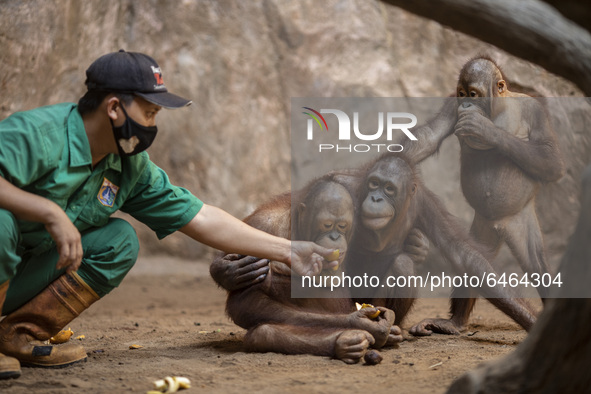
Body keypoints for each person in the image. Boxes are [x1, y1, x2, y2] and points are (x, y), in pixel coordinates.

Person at [0, 50, 335, 379]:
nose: (152, 124)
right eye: (148, 113)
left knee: (119, 240)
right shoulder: (37, 134)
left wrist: (288, 250)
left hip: (18, 275)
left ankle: (17, 334)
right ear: (114, 108)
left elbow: (200, 218)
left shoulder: (128, 166)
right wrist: (48, 211)